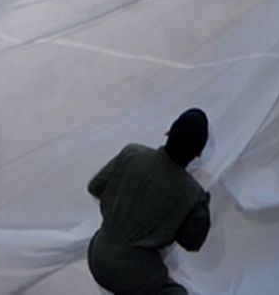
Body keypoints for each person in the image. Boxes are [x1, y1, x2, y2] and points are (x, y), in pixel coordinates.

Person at [86, 108, 213, 295]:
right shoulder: (192, 194)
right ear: (198, 153)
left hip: (97, 254)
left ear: (168, 133)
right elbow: (192, 242)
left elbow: (95, 187)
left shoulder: (132, 153)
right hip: (133, 273)